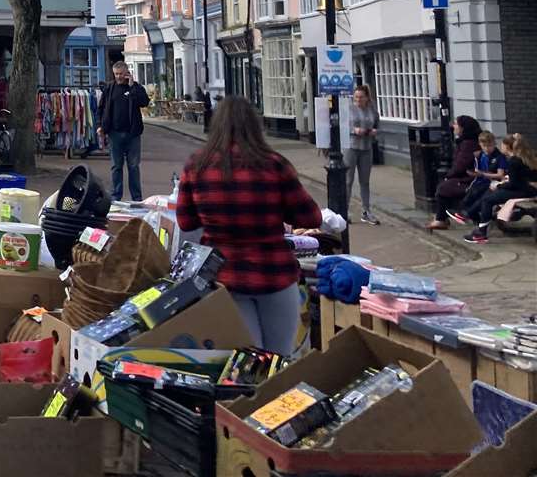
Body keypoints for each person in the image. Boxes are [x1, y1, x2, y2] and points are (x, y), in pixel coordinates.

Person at [175, 97, 321, 355]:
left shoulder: (196, 166)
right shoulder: (274, 164)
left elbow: (186, 221)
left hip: (224, 277)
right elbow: (311, 218)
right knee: (280, 357)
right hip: (274, 273)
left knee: (248, 363)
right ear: (254, 126)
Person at [460, 134, 537, 244]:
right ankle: (473, 218)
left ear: (507, 147)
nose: (500, 146)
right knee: (490, 194)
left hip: (524, 191)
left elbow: (514, 184)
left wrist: (499, 185)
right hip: (528, 189)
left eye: (502, 144)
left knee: (488, 199)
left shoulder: (513, 161)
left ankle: (481, 231)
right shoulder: (526, 157)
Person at [99, 61, 150, 200]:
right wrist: (101, 126)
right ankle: (116, 196)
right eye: (116, 74)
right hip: (114, 134)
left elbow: (144, 102)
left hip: (132, 134)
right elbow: (102, 108)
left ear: (127, 73)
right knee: (116, 166)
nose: (119, 77)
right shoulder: (109, 88)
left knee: (133, 166)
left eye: (121, 74)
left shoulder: (136, 87)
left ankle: (137, 198)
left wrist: (132, 86)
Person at [427, 115, 482, 231]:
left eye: (456, 124)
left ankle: (441, 219)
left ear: (463, 128)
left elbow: (460, 165)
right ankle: (442, 217)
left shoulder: (468, 144)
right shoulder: (465, 142)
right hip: (467, 176)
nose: (453, 126)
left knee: (443, 187)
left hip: (469, 179)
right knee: (443, 186)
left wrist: (449, 176)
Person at [345, 85, 380, 225]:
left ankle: (366, 211)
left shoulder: (372, 109)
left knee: (365, 181)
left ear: (367, 97)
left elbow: (377, 123)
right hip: (351, 147)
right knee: (348, 180)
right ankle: (344, 211)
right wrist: (355, 130)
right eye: (356, 97)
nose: (358, 100)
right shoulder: (349, 108)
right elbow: (343, 125)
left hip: (366, 147)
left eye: (361, 97)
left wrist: (374, 131)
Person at [455, 132, 509, 221]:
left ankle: (468, 216)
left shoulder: (499, 157)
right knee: (468, 197)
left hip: (492, 183)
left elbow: (500, 175)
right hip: (480, 181)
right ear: (480, 145)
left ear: (494, 144)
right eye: (484, 146)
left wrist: (483, 174)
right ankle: (471, 217)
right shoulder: (479, 155)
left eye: (489, 146)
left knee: (478, 196)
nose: (487, 149)